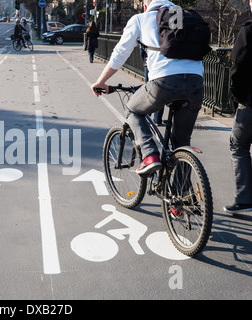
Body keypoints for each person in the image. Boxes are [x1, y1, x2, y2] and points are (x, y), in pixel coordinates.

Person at [92, 0, 204, 175]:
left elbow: (120, 53)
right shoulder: (183, 17)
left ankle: (150, 156)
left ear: (146, 5)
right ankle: (184, 197)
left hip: (163, 83)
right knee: (182, 143)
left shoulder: (140, 19)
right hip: (196, 82)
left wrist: (101, 81)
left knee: (132, 110)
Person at [223, 0, 252, 214]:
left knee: (238, 145)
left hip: (250, 103)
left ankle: (244, 198)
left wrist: (237, 98)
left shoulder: (248, 30)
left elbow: (237, 66)